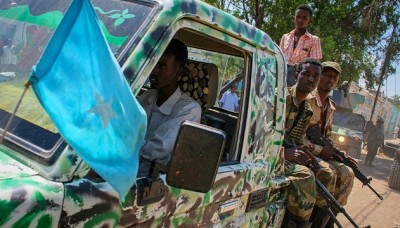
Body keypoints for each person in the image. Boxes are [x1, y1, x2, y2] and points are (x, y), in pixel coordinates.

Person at [282, 58, 336, 227]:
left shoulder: (307, 110)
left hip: (288, 154)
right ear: (297, 75)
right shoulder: (280, 98)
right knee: (305, 176)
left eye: (315, 76)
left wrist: (307, 155)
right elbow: (256, 135)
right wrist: (286, 153)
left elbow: (297, 141)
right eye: (306, 74)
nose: (310, 79)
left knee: (326, 172)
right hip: (267, 153)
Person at [137, 39, 202, 177]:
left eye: (161, 67)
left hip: (147, 180)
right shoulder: (148, 95)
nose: (153, 72)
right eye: (153, 64)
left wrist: (121, 146)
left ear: (179, 73)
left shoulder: (189, 110)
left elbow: (156, 150)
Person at [305, 61, 356, 227]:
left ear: (337, 82)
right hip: (304, 149)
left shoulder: (331, 106)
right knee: (330, 172)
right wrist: (320, 150)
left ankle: (327, 220)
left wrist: (340, 153)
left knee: (348, 173)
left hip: (319, 152)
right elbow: (297, 135)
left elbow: (327, 137)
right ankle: (316, 222)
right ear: (319, 76)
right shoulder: (308, 99)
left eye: (334, 77)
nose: (330, 79)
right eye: (327, 75)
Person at [279, 4, 322, 87]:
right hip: (281, 74)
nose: (300, 20)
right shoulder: (285, 37)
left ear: (309, 21)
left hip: (299, 78)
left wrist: (300, 65)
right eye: (298, 17)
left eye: (304, 18)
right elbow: (279, 57)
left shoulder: (314, 40)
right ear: (294, 18)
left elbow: (314, 65)